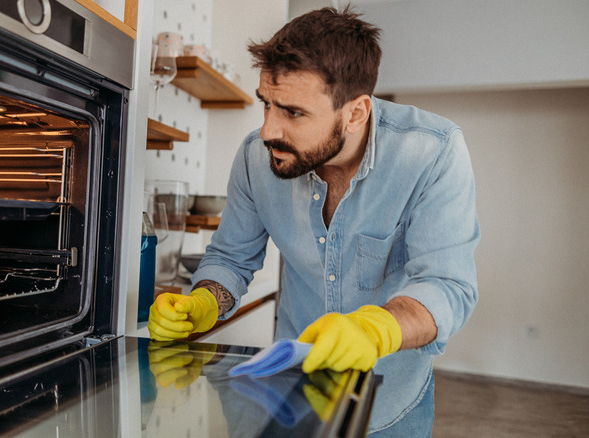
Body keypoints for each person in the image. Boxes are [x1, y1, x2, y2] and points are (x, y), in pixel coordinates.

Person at [147, 6, 479, 436]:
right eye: (266, 104)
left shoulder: (434, 152)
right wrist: (204, 302)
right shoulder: (255, 158)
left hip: (391, 402)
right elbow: (230, 259)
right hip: (290, 392)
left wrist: (374, 328)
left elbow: (449, 286)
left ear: (356, 113)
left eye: (293, 112)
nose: (268, 129)